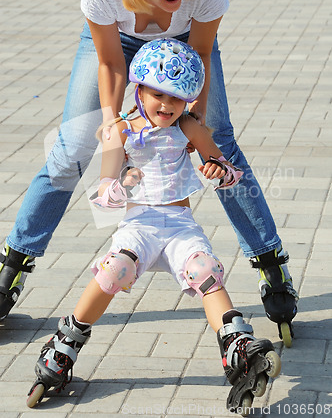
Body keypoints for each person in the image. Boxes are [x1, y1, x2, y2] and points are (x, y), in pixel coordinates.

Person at [0, 0, 297, 344]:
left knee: (220, 141)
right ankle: (12, 266)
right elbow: (110, 64)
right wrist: (110, 120)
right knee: (72, 147)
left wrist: (193, 126)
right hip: (118, 45)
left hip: (185, 54)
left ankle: (272, 264)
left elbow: (201, 58)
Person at [26, 39, 281, 413]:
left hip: (179, 226)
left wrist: (216, 169)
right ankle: (65, 342)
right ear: (139, 88)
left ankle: (236, 345)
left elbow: (229, 173)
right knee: (115, 269)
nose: (166, 105)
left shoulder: (190, 127)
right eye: (158, 94)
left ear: (188, 101)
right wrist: (121, 183)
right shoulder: (120, 131)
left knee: (205, 271)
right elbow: (102, 196)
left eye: (177, 98)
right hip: (138, 226)